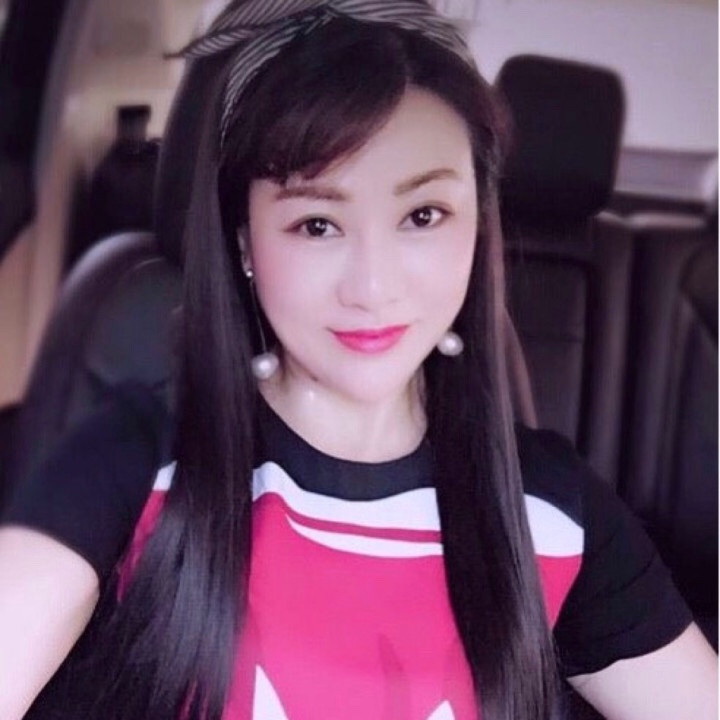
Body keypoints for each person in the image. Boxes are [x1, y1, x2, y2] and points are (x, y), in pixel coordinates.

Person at [0, 1, 716, 719]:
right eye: (317, 224)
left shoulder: (552, 513)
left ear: (478, 224)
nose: (372, 288)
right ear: (246, 243)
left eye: (423, 216)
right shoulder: (131, 467)